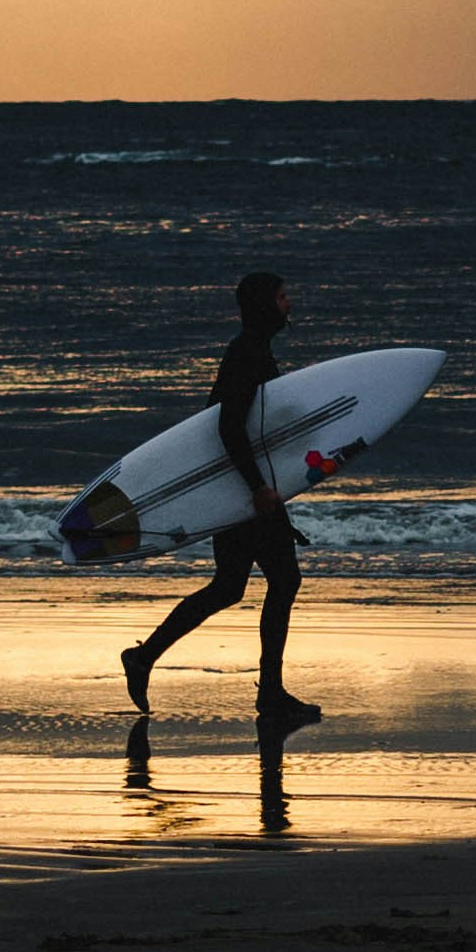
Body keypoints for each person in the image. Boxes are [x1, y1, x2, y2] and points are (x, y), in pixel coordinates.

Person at [118, 265, 330, 733]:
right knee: (282, 580)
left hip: (239, 489)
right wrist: (256, 489)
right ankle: (270, 694)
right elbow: (227, 427)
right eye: (282, 297)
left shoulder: (253, 352)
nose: (288, 304)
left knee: (231, 586)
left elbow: (246, 426)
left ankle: (143, 656)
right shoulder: (246, 355)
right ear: (263, 306)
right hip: (244, 492)